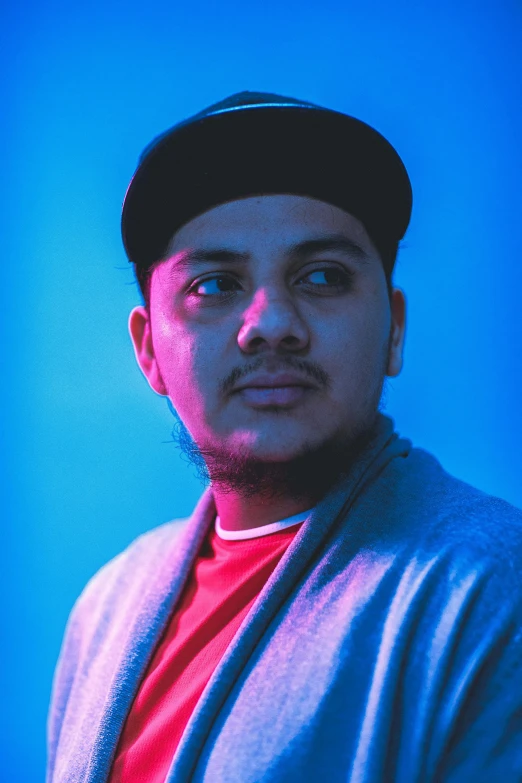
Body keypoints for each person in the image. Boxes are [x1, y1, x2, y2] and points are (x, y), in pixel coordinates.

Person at [46, 91, 522, 783]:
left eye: (322, 276)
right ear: (149, 350)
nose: (271, 322)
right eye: (215, 285)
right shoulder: (104, 608)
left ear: (393, 327)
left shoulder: (490, 590)